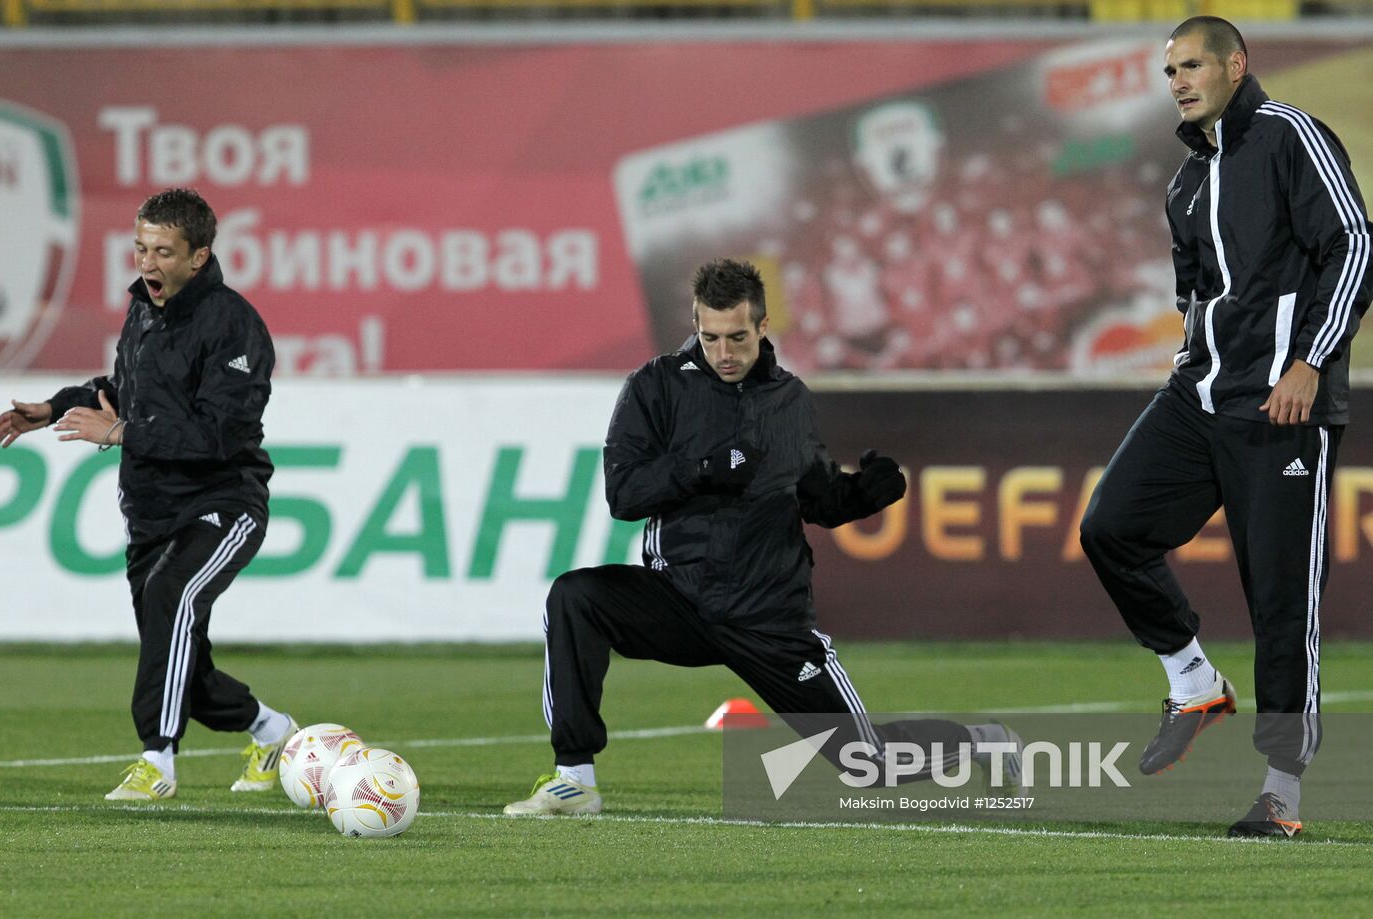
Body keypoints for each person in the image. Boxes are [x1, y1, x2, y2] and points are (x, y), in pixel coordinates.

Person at [505, 258, 1020, 816]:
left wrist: (865, 494)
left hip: (768, 615)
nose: (723, 352)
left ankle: (984, 742)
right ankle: (575, 779)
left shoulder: (788, 399)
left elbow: (818, 499)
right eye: (710, 337)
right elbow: (623, 494)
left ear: (763, 326)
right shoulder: (655, 386)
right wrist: (705, 467)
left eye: (737, 337)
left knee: (868, 766)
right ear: (696, 325)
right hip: (680, 599)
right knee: (577, 597)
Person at [1080, 18, 1370, 838]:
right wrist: (1191, 362)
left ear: (1236, 65)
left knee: (1281, 601)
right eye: (1169, 69)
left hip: (1282, 407)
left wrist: (1311, 362)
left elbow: (1355, 246)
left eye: (1192, 64)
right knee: (1110, 527)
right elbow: (1194, 296)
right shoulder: (1184, 182)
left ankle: (1281, 794)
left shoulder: (1289, 136)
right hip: (1197, 397)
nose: (1177, 80)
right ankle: (1194, 681)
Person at [0, 188, 297, 801]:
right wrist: (52, 408)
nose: (146, 263)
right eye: (140, 248)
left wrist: (124, 433)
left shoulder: (234, 325)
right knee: (178, 656)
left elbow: (220, 433)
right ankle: (273, 731)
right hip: (152, 511)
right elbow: (123, 390)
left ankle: (157, 761)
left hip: (223, 503)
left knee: (169, 597)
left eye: (162, 252)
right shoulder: (144, 310)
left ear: (199, 256)